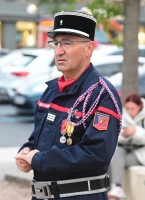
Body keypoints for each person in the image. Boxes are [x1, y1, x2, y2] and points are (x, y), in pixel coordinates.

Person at [15, 11, 122, 200]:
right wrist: (27, 151)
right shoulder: (52, 90)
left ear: (89, 48)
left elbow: (96, 153)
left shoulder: (102, 94)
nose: (58, 51)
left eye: (67, 43)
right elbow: (39, 139)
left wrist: (40, 160)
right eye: (56, 43)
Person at [108, 93, 145, 199]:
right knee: (114, 155)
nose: (130, 111)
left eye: (132, 108)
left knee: (115, 162)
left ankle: (115, 187)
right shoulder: (125, 115)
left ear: (139, 106)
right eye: (128, 108)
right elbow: (117, 137)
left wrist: (136, 132)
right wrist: (125, 135)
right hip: (130, 148)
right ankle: (114, 188)